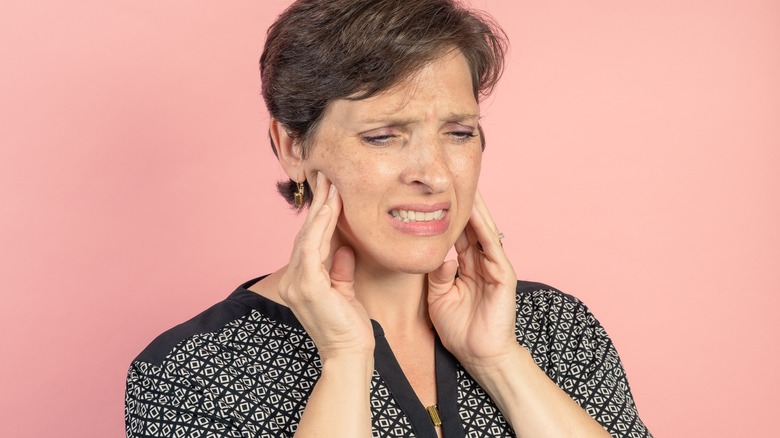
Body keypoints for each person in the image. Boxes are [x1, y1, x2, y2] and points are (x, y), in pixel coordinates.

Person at [125, 0, 652, 437]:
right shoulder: (192, 370)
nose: (435, 174)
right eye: (383, 136)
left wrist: (501, 362)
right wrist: (344, 359)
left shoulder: (554, 328)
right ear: (291, 146)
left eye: (459, 133)